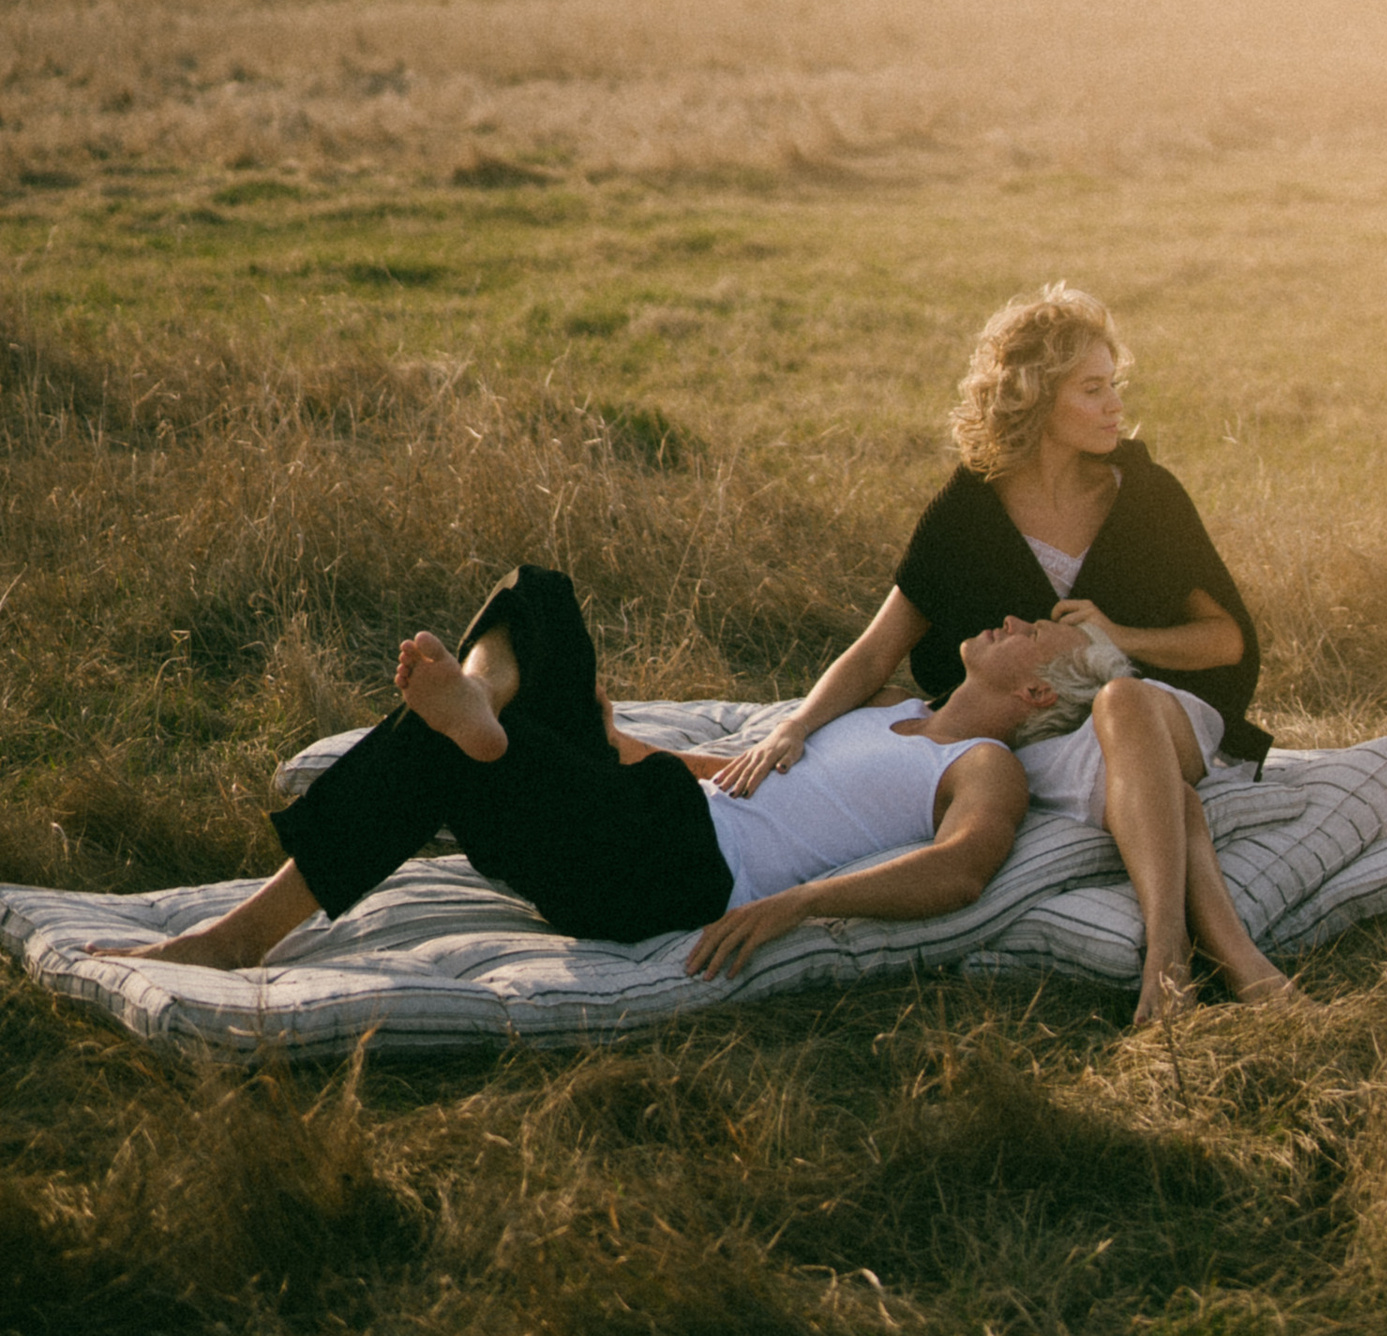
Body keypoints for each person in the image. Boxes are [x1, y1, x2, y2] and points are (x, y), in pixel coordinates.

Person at [91, 561, 1104, 985]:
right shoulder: (891, 714)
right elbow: (733, 772)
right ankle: (486, 714)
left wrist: (795, 908)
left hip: (681, 874)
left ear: (1037, 699)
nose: (1014, 619)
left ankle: (238, 937)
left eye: (1034, 633)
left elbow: (964, 870)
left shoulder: (982, 765)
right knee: (536, 592)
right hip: (650, 812)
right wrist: (600, 743)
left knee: (441, 743)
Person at [709, 287, 1289, 1022]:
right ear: (1037, 397)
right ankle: (1237, 961)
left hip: (1162, 711)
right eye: (1093, 389)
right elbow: (876, 651)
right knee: (1160, 796)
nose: (1116, 405)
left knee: (1123, 700)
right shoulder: (969, 509)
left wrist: (1117, 638)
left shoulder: (1147, 496)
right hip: (1044, 736)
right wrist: (793, 726)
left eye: (1115, 385)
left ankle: (1165, 954)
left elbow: (1227, 640)